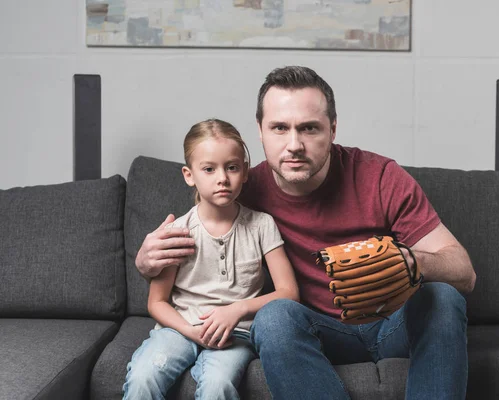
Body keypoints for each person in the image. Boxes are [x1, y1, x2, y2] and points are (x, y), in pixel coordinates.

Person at [135, 66, 476, 400]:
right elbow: (194, 238)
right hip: (311, 330)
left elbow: (464, 272)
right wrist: (146, 261)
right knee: (273, 317)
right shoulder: (240, 188)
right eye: (280, 128)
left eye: (310, 128)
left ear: (333, 129)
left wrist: (409, 260)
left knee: (443, 297)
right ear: (260, 131)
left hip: (392, 326)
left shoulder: (381, 177)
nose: (294, 144)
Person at [123, 119, 299, 400]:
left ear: (244, 173)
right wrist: (190, 332)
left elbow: (289, 293)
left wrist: (236, 311)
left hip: (236, 335)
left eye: (232, 167)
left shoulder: (262, 225)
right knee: (144, 376)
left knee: (218, 386)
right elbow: (156, 302)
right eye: (209, 169)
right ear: (189, 175)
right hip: (179, 329)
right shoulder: (177, 232)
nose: (222, 178)